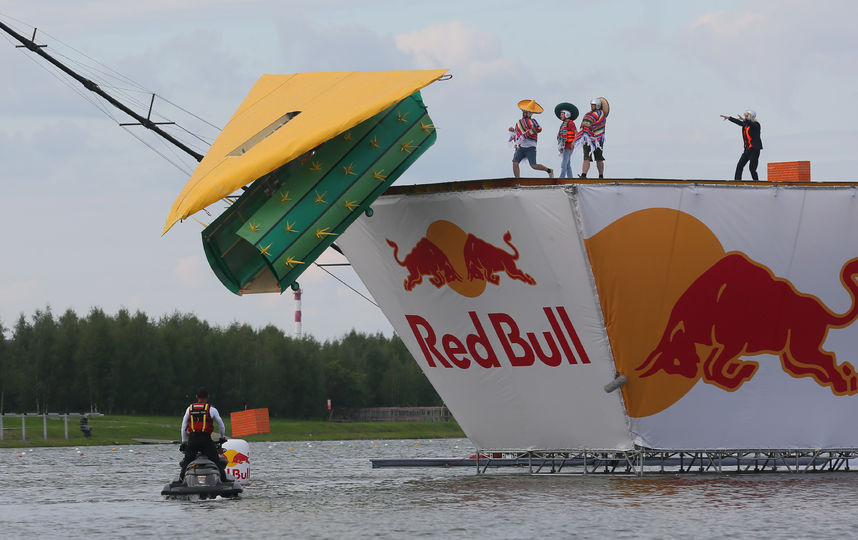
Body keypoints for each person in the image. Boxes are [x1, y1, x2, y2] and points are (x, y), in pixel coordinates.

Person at [179, 387, 227, 482]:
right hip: (206, 440)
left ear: (197, 397)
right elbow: (221, 425)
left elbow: (183, 426)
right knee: (216, 461)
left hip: (193, 440)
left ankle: (180, 481)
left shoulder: (190, 409)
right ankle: (224, 480)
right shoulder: (212, 409)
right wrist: (222, 437)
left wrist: (184, 442)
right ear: (208, 397)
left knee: (186, 462)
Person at [509, 99, 553, 179]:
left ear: (529, 113)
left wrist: (526, 134)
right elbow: (517, 133)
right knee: (515, 162)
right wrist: (513, 130)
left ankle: (549, 170)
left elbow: (538, 129)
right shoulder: (519, 122)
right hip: (521, 147)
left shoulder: (533, 121)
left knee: (534, 165)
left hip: (530, 147)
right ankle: (517, 180)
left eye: (525, 112)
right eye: (523, 111)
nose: (523, 113)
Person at [720, 110, 763, 180]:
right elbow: (739, 122)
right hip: (747, 150)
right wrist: (729, 118)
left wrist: (744, 120)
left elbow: (752, 124)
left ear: (751, 117)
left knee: (752, 169)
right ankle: (737, 181)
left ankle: (756, 182)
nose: (745, 117)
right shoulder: (745, 124)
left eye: (747, 116)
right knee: (740, 165)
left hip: (754, 150)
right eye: (745, 116)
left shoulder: (756, 125)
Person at [574, 98, 608, 178]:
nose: (592, 106)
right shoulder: (587, 114)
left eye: (593, 105)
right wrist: (582, 127)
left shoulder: (601, 114)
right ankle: (583, 175)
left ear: (598, 105)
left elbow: (599, 125)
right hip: (587, 138)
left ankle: (601, 176)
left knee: (599, 158)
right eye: (591, 105)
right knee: (586, 157)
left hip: (597, 139)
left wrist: (587, 125)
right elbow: (583, 125)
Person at [554, 102, 578, 178]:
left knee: (563, 164)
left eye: (562, 114)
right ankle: (570, 178)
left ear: (566, 114)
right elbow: (560, 136)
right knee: (567, 164)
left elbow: (576, 134)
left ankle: (562, 178)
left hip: (569, 146)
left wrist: (573, 143)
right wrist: (561, 147)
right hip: (565, 146)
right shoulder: (563, 124)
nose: (560, 116)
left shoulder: (570, 123)